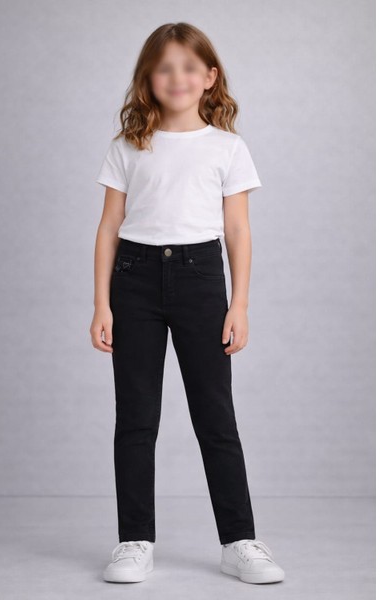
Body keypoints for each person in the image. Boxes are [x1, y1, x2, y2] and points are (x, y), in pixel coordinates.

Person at [90, 22, 285, 585]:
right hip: (134, 281)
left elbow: (238, 231)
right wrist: (101, 304)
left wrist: (239, 303)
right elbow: (108, 228)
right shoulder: (129, 145)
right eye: (164, 67)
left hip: (202, 281)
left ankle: (239, 541)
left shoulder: (228, 147)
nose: (177, 77)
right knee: (136, 417)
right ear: (148, 79)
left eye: (188, 67)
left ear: (209, 77)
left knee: (215, 415)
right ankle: (134, 541)